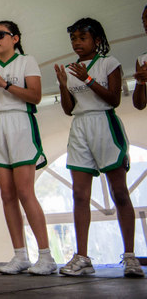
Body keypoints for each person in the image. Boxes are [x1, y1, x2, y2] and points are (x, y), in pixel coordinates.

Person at [54, 18, 144, 278]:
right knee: (80, 195)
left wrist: (89, 78)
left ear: (97, 39)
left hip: (104, 123)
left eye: (82, 37)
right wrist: (63, 84)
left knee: (119, 192)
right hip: (80, 127)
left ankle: (130, 256)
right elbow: (70, 109)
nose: (76, 43)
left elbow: (114, 99)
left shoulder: (109, 63)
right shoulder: (71, 69)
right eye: (73, 39)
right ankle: (82, 257)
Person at [0, 21, 56, 275]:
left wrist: (5, 83)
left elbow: (35, 96)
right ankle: (20, 255)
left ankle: (46, 257)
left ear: (15, 38)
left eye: (0, 35)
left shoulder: (26, 61)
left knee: (24, 190)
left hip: (20, 122)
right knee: (6, 193)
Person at [133, 5, 147, 111]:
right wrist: (139, 82)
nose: (145, 24)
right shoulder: (142, 59)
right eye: (143, 20)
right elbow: (139, 105)